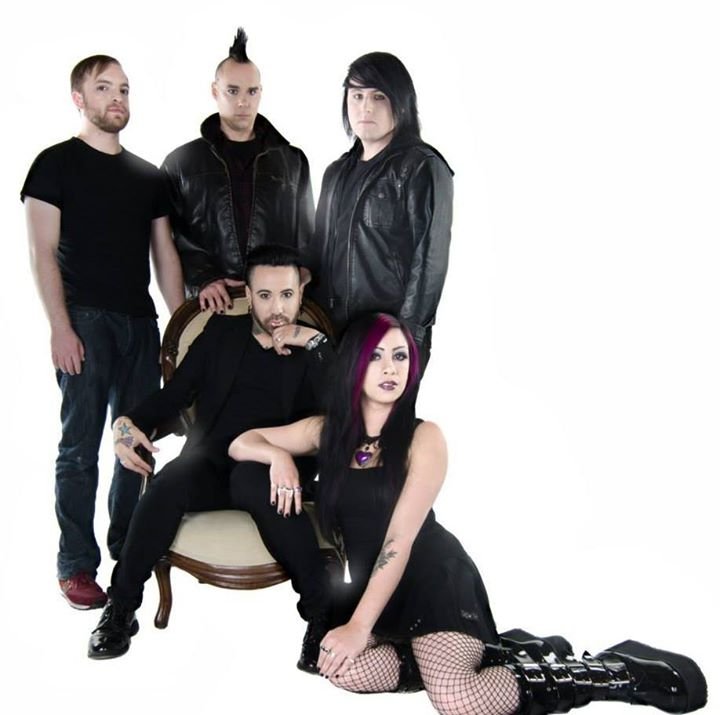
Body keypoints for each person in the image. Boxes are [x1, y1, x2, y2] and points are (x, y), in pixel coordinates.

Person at [228, 313, 707, 715]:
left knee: (458, 699)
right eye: (376, 356)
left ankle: (612, 672)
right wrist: (279, 457)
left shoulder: (424, 437)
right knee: (337, 665)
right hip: (376, 587)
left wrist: (359, 627)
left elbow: (399, 540)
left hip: (432, 580)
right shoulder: (327, 431)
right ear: (354, 364)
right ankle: (501, 653)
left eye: (400, 356)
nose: (390, 368)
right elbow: (241, 443)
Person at [87, 245, 332, 662]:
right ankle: (121, 608)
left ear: (300, 293)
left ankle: (322, 618)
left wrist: (314, 341)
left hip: (274, 464)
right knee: (167, 484)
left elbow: (345, 413)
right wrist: (126, 423)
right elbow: (175, 395)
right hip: (211, 461)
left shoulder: (314, 348)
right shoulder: (220, 334)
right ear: (248, 295)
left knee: (256, 482)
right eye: (265, 295)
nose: (277, 308)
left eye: (287, 295)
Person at [21, 54, 185, 610]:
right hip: (85, 323)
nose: (117, 97)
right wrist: (60, 328)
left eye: (124, 88)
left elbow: (165, 258)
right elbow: (42, 253)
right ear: (79, 98)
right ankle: (76, 565)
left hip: (141, 324)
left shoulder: (148, 176)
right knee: (80, 448)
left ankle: (127, 550)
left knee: (136, 447)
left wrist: (182, 328)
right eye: (104, 87)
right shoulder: (54, 164)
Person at [307, 52, 453, 367]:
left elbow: (430, 262)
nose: (366, 107)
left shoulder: (421, 167)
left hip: (387, 337)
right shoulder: (336, 172)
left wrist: (407, 339)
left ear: (401, 102)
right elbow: (317, 253)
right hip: (331, 332)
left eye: (378, 96)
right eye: (357, 96)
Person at [162, 27, 314, 313]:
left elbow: (306, 239)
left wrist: (294, 284)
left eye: (251, 91)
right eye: (232, 91)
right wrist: (204, 278)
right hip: (211, 306)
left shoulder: (293, 162)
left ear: (261, 93)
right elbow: (168, 240)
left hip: (276, 308)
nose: (243, 102)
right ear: (215, 91)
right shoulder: (181, 163)